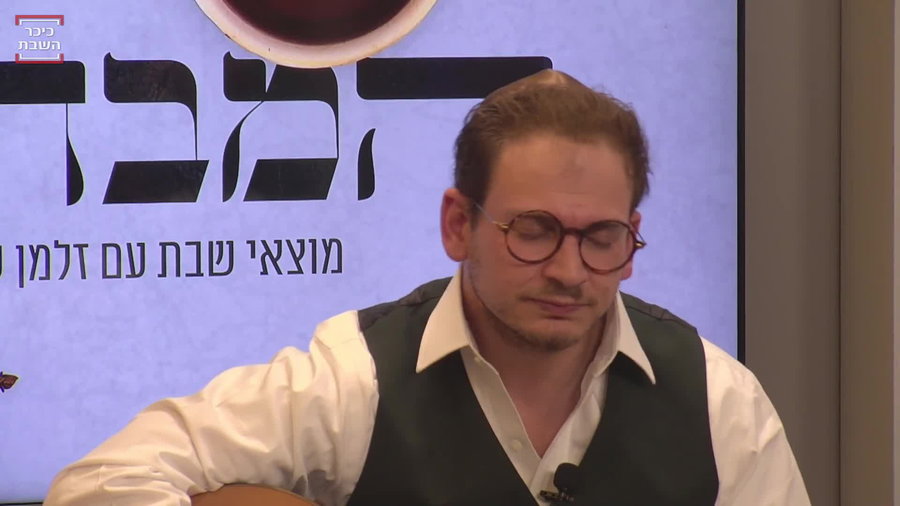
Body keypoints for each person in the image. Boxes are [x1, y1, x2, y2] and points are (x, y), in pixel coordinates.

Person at [46, 70, 810, 505]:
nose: (570, 270)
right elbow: (97, 485)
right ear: (457, 225)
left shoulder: (719, 401)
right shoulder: (355, 379)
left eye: (602, 237)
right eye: (535, 229)